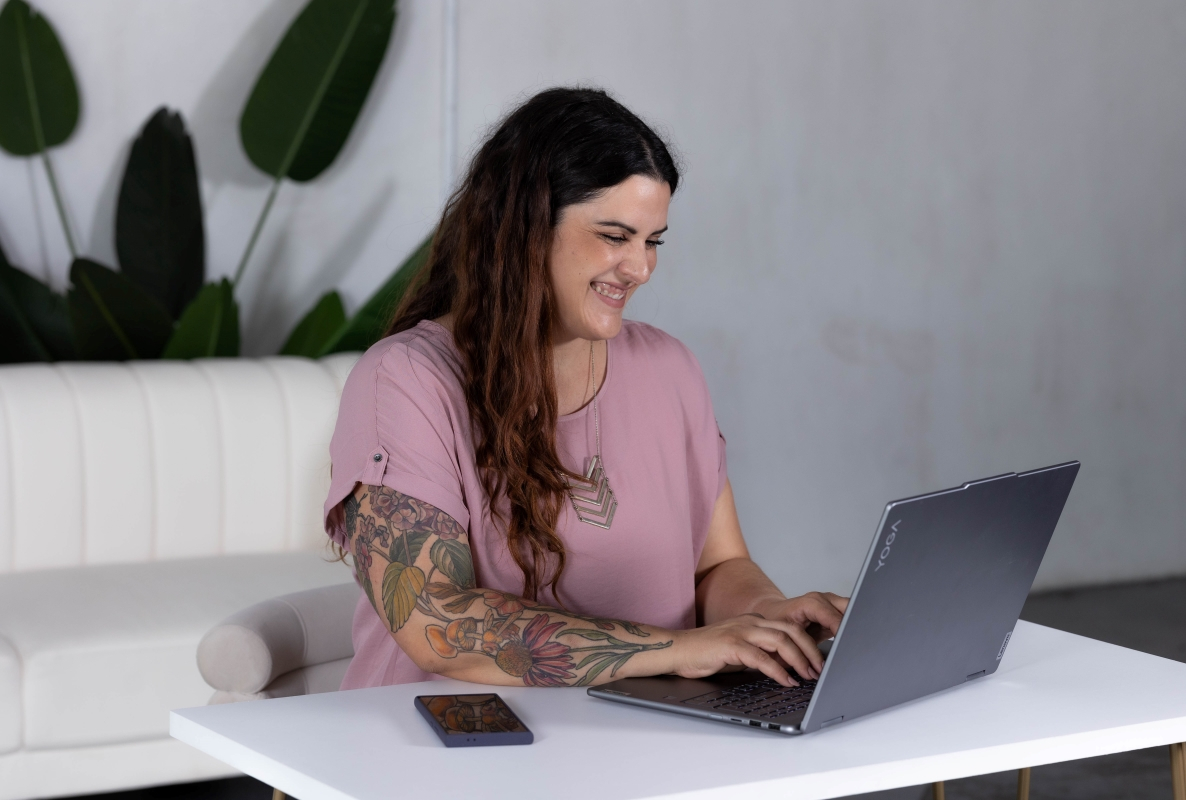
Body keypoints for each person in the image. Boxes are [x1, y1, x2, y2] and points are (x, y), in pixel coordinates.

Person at [323, 87, 847, 690]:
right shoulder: (405, 381)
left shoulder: (670, 369)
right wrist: (678, 649)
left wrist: (764, 619)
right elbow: (437, 625)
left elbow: (719, 567)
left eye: (653, 242)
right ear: (523, 226)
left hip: (645, 738)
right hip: (450, 750)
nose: (641, 268)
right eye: (614, 236)